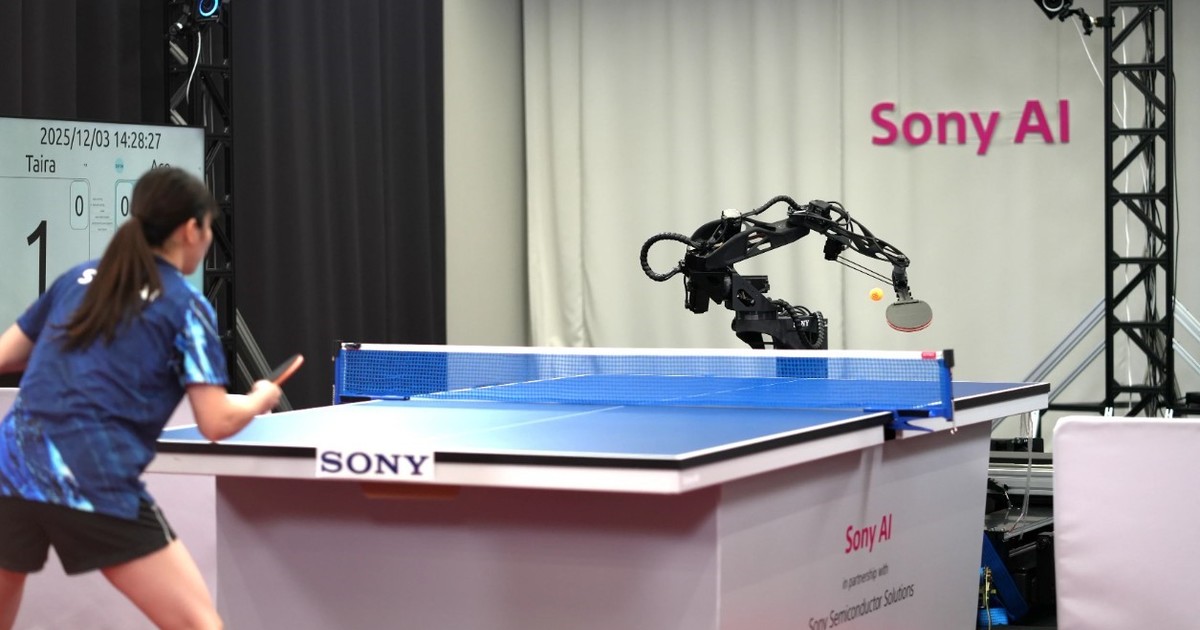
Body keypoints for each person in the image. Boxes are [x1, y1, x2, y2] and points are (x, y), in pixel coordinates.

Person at [0, 167, 282, 630]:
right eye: (209, 227)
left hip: (11, 469)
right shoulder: (185, 306)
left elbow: (5, 354)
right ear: (190, 230)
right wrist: (258, 397)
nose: (208, 239)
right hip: (90, 478)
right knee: (199, 625)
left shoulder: (79, 278)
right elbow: (215, 422)